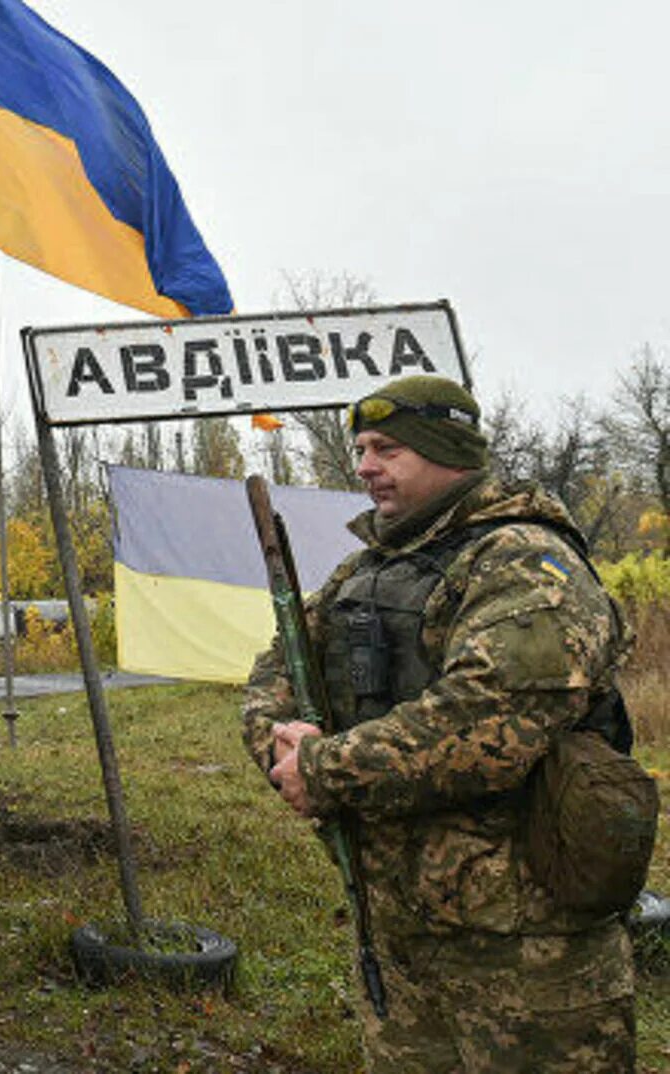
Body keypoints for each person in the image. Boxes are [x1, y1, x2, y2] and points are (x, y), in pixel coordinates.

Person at [241, 374, 635, 1072]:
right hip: (397, 940)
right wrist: (281, 745)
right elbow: (277, 671)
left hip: (524, 953)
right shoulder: (368, 570)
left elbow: (483, 728)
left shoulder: (528, 565)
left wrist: (323, 769)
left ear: (448, 450)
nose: (363, 466)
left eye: (386, 448)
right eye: (361, 448)